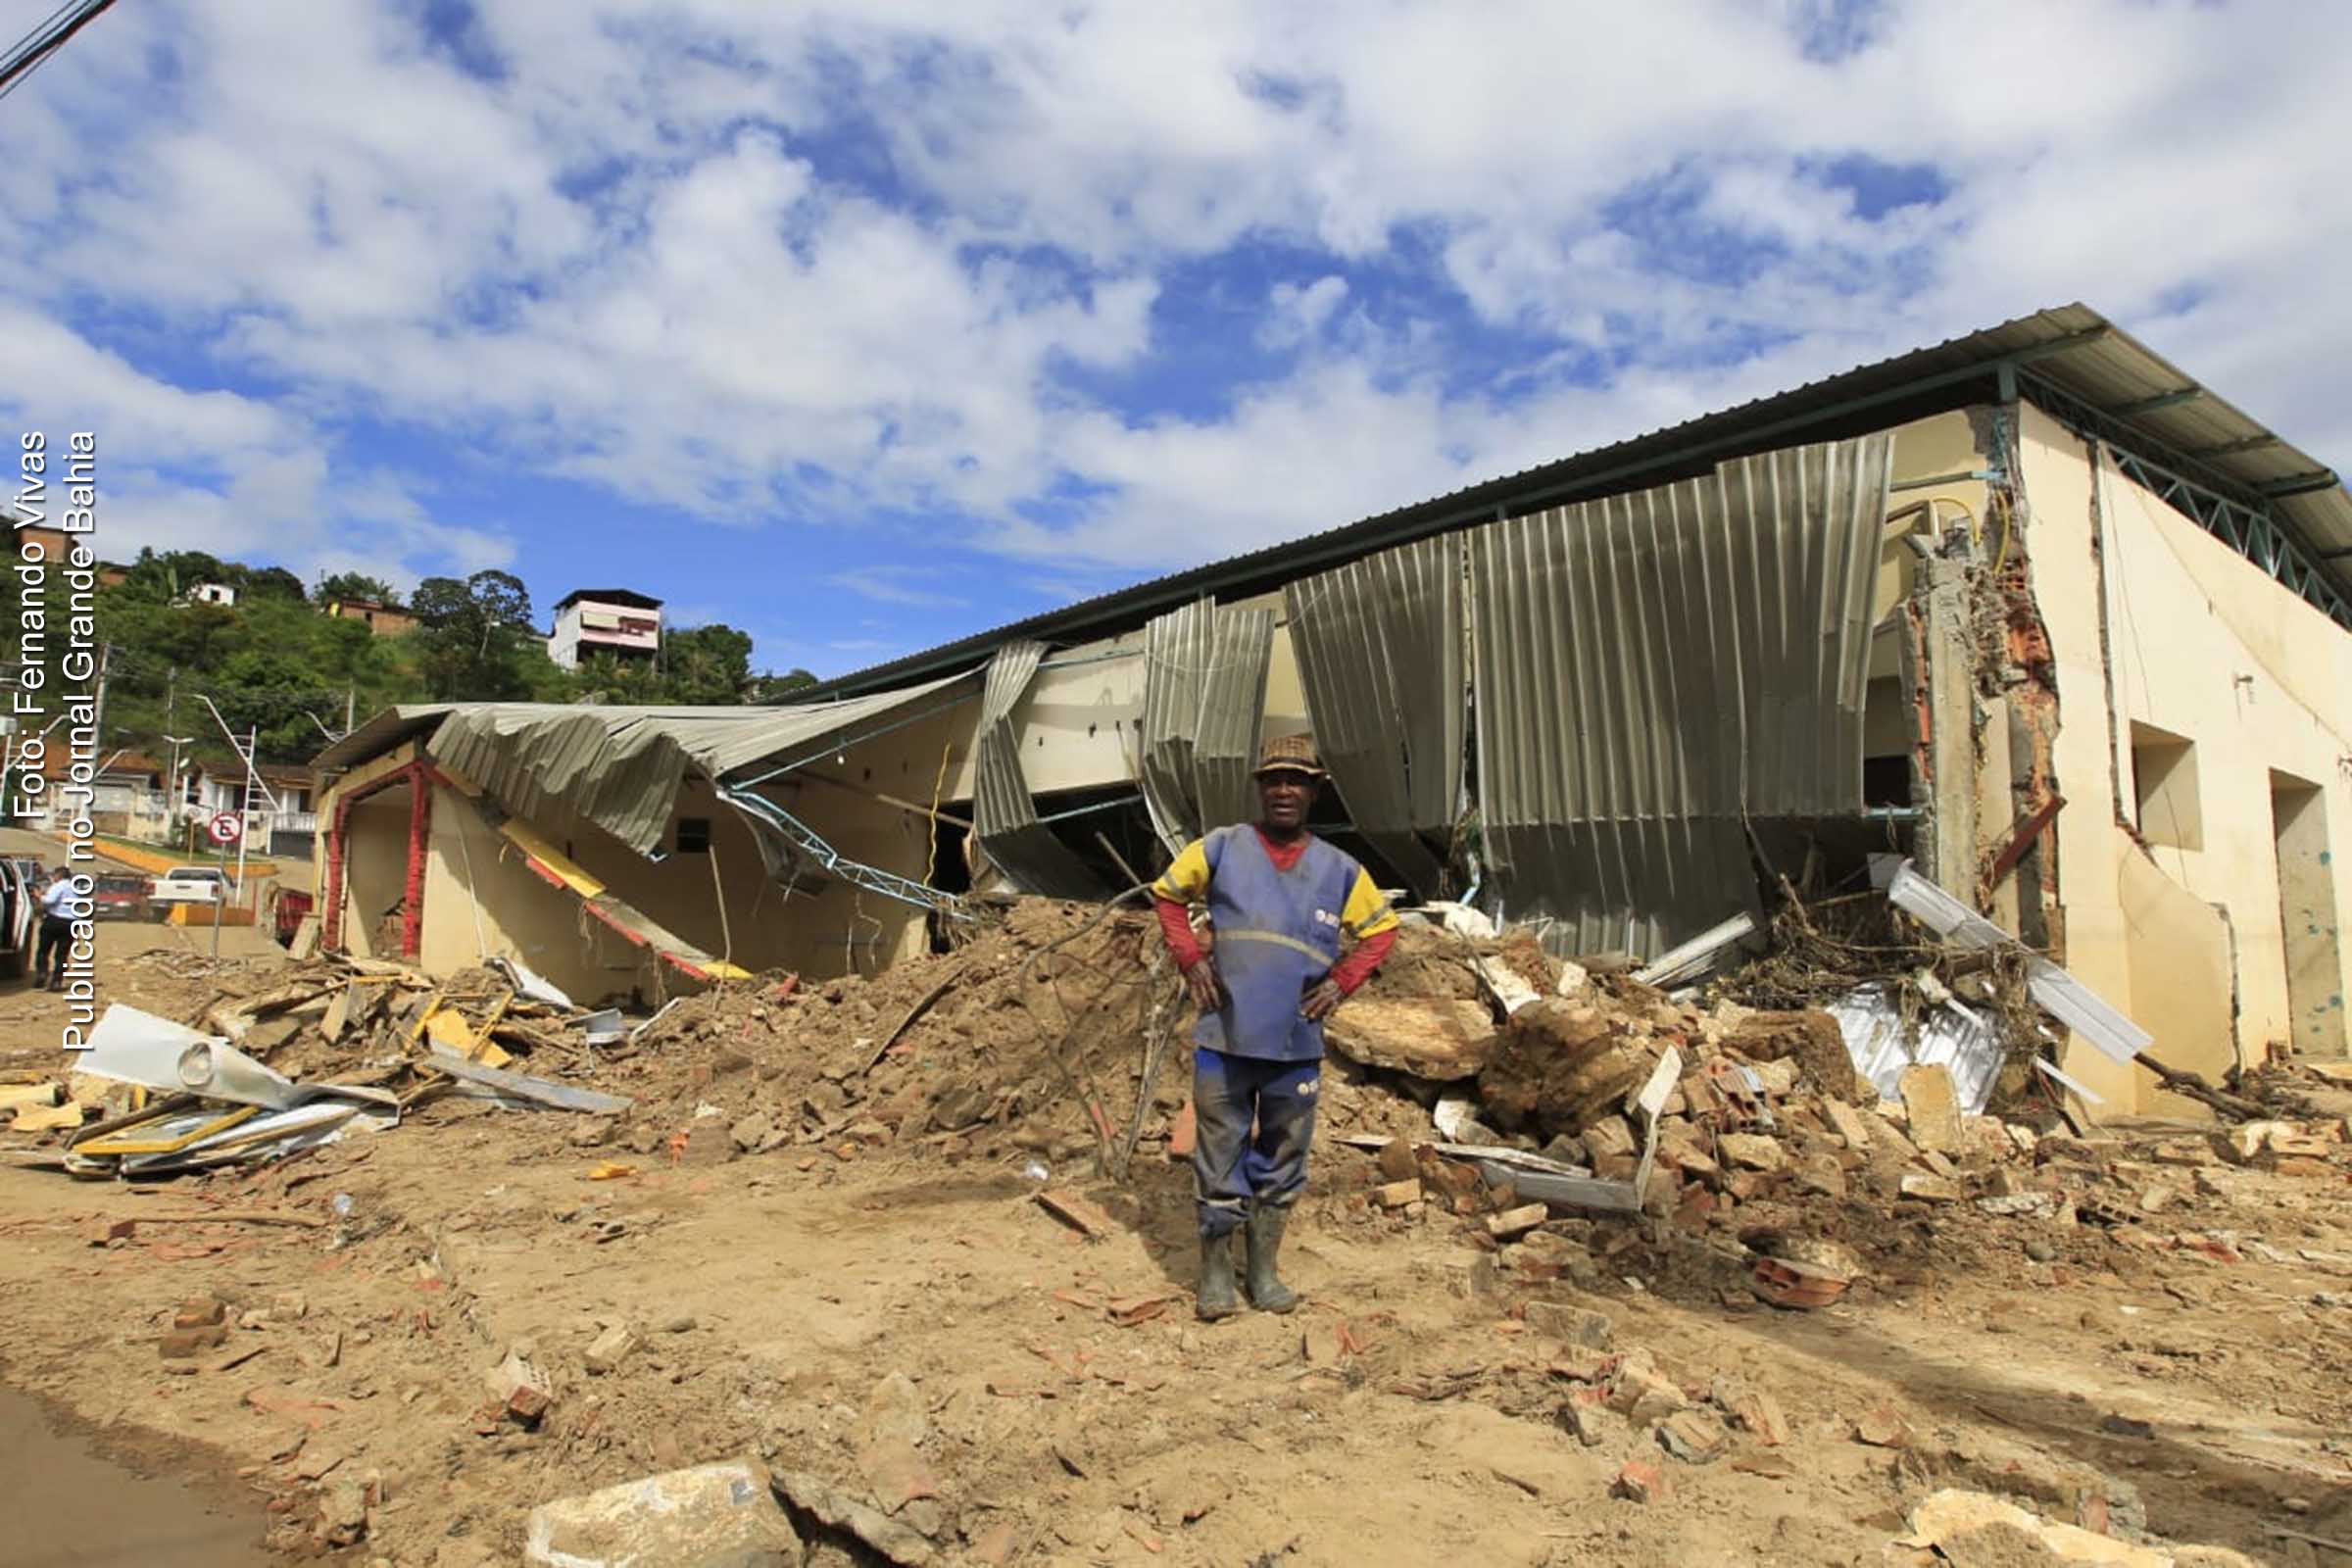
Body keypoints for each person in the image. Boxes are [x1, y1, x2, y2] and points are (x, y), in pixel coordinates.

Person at [1150, 736, 1399, 1321]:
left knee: (1284, 1155)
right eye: (1274, 780)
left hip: (1295, 1042)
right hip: (1225, 1037)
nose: (1284, 790)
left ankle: (1262, 1269)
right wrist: (1191, 960)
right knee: (1219, 1152)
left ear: (1314, 792)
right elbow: (1167, 896)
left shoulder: (1340, 870)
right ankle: (1216, 1271)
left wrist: (1341, 983)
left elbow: (1382, 930)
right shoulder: (1221, 848)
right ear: (1260, 788)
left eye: (1297, 781)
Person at [33, 866, 77, 991]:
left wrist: (39, 896)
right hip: (71, 922)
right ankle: (57, 981)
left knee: (43, 950)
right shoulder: (75, 888)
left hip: (55, 920)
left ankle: (42, 973)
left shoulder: (59, 886)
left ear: (59, 875)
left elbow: (50, 900)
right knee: (62, 954)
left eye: (54, 875)